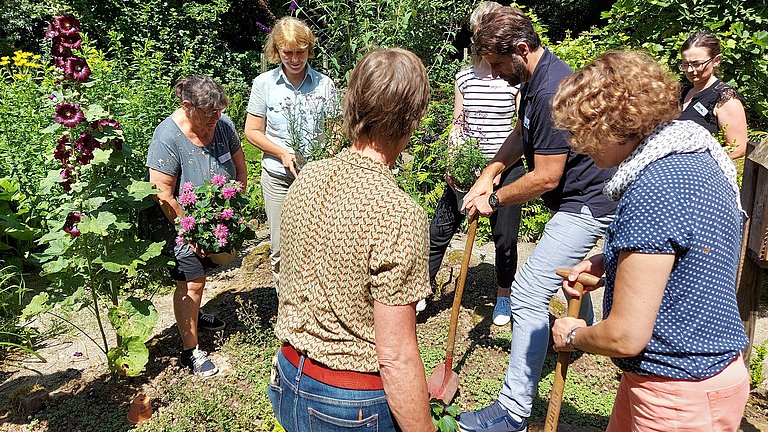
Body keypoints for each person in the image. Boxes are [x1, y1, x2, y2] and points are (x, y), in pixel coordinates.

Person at [551, 50, 749, 432]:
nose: (578, 146)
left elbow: (625, 336)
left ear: (611, 125)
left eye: (580, 132)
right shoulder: (694, 154)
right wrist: (611, 262)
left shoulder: (654, 189)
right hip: (684, 379)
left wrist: (573, 335)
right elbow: (684, 249)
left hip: (678, 393)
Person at [456, 8, 617, 432]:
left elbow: (546, 177)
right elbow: (522, 134)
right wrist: (491, 170)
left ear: (521, 50)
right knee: (567, 281)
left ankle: (513, 411)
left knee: (528, 293)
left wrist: (495, 197)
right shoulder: (533, 78)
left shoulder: (550, 89)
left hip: (587, 203)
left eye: (497, 64)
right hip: (578, 199)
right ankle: (582, 332)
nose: (493, 74)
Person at [268, 48, 435, 432]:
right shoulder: (397, 213)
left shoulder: (308, 177)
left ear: (353, 103)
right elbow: (395, 356)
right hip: (347, 404)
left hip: (288, 377)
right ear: (414, 117)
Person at [426, 1, 525, 326]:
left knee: (505, 240)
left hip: (505, 170)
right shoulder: (464, 77)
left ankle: (503, 297)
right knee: (439, 232)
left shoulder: (513, 77)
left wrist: (496, 171)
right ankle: (422, 292)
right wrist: (454, 158)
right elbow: (458, 122)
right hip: (466, 168)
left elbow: (521, 127)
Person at [146, 75, 248, 376]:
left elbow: (240, 168)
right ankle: (189, 352)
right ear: (187, 106)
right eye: (209, 114)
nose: (216, 118)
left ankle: (194, 315)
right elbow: (162, 195)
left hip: (215, 219)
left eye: (219, 112)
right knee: (192, 281)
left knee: (208, 271)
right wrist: (189, 230)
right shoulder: (167, 136)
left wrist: (231, 208)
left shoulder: (223, 125)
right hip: (177, 222)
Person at [244, 16, 337, 290]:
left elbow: (336, 128)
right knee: (281, 247)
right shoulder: (264, 84)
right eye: (288, 53)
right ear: (277, 52)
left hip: (316, 178)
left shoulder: (324, 84)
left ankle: (317, 306)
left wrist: (326, 155)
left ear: (309, 49)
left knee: (318, 243)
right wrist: (282, 152)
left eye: (301, 52)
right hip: (278, 177)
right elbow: (252, 131)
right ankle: (287, 310)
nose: (295, 59)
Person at [679, 31, 748, 159]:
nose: (689, 70)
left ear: (716, 61)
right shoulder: (681, 93)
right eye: (685, 64)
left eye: (696, 64)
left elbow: (738, 148)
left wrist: (701, 161)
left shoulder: (725, 99)